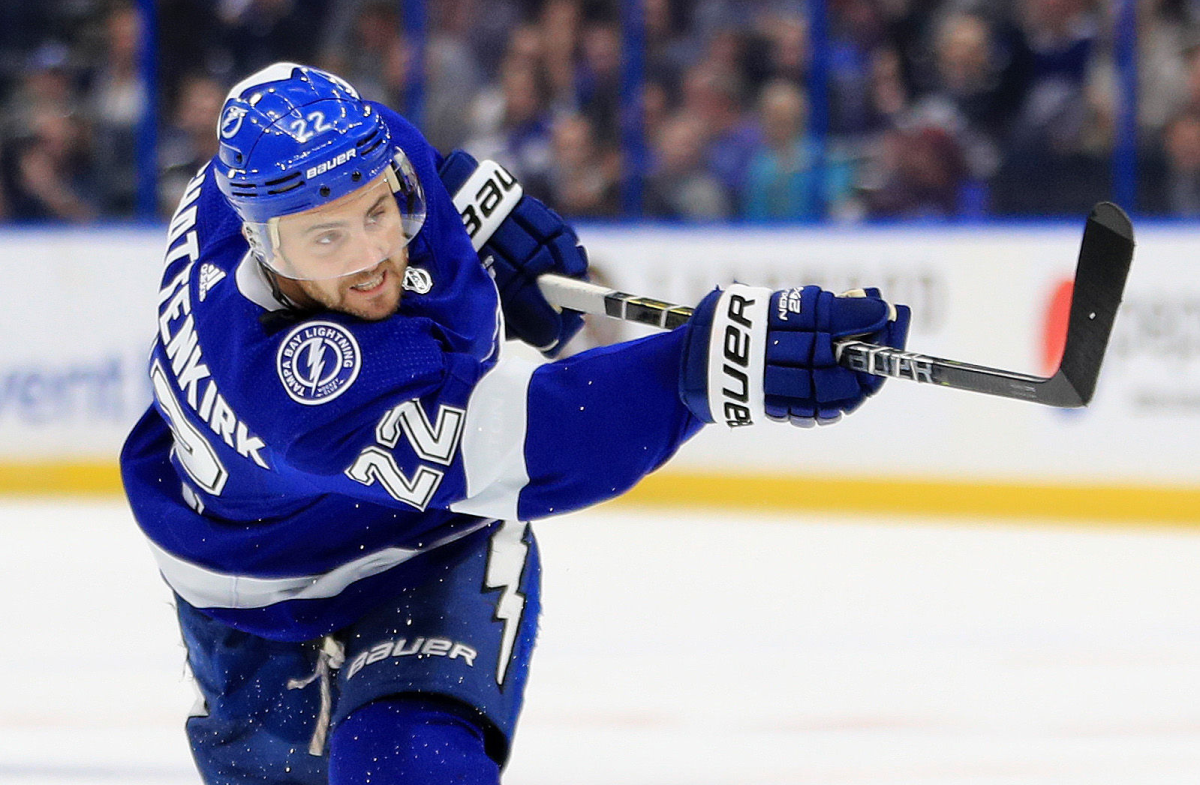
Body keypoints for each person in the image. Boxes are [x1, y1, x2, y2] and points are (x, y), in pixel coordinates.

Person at [119, 62, 910, 785]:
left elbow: (299, 89)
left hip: (428, 548)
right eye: (326, 239)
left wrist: (465, 201)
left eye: (378, 213)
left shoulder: (325, 157)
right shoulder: (294, 386)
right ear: (262, 242)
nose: (369, 257)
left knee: (407, 769)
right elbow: (544, 443)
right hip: (251, 599)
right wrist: (708, 366)